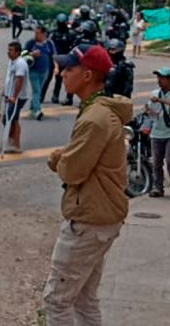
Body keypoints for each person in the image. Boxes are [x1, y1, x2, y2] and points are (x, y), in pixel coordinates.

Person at [44, 44, 131, 324]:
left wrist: (58, 159)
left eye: (70, 69)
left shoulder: (95, 119)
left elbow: (72, 172)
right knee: (84, 299)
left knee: (56, 301)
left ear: (87, 75)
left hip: (89, 220)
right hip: (102, 217)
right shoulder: (99, 110)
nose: (62, 74)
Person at [147, 67, 170, 198]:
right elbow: (150, 110)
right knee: (156, 162)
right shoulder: (155, 93)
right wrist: (149, 111)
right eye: (158, 78)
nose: (159, 81)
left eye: (162, 78)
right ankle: (158, 187)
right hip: (157, 132)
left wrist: (160, 101)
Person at [24, 26, 56, 120]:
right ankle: (37, 111)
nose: (36, 35)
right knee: (36, 90)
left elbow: (53, 55)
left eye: (38, 33)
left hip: (45, 70)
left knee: (39, 90)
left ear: (43, 34)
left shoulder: (49, 43)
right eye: (35, 32)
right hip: (33, 70)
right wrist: (31, 54)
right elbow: (22, 54)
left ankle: (32, 106)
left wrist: (56, 67)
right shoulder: (31, 43)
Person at [4, 42, 29, 153]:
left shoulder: (20, 63)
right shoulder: (12, 61)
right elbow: (10, 78)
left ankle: (16, 144)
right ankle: (11, 140)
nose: (8, 52)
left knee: (12, 119)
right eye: (8, 50)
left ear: (18, 52)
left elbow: (19, 80)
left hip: (18, 96)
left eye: (11, 50)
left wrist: (14, 96)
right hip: (10, 94)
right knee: (9, 119)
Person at [49, 13, 75, 105]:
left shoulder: (71, 33)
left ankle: (69, 97)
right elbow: (50, 45)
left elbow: (74, 46)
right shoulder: (54, 33)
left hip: (68, 58)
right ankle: (55, 96)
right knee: (58, 78)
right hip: (58, 58)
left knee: (70, 78)